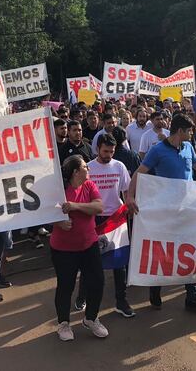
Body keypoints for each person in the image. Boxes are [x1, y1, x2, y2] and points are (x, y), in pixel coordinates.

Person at [126, 114, 196, 313]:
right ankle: (155, 286)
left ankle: (192, 295)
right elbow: (140, 171)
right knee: (164, 249)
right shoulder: (157, 150)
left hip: (187, 208)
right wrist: (130, 195)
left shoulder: (188, 148)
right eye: (189, 131)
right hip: (166, 210)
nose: (192, 134)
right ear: (180, 130)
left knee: (189, 248)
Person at [50, 155, 107, 342]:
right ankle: (63, 323)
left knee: (97, 281)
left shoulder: (89, 186)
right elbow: (43, 213)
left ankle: (91, 318)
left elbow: (99, 207)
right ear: (75, 172)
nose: (88, 169)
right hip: (63, 249)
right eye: (85, 167)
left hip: (89, 245)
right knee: (66, 286)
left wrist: (74, 206)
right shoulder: (59, 190)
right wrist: (57, 222)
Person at [78, 134, 134, 318]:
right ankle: (82, 295)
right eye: (105, 151)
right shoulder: (89, 168)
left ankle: (121, 300)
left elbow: (126, 190)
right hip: (94, 219)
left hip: (116, 219)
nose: (108, 154)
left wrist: (128, 207)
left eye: (111, 151)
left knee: (120, 263)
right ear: (97, 149)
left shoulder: (119, 166)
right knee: (90, 261)